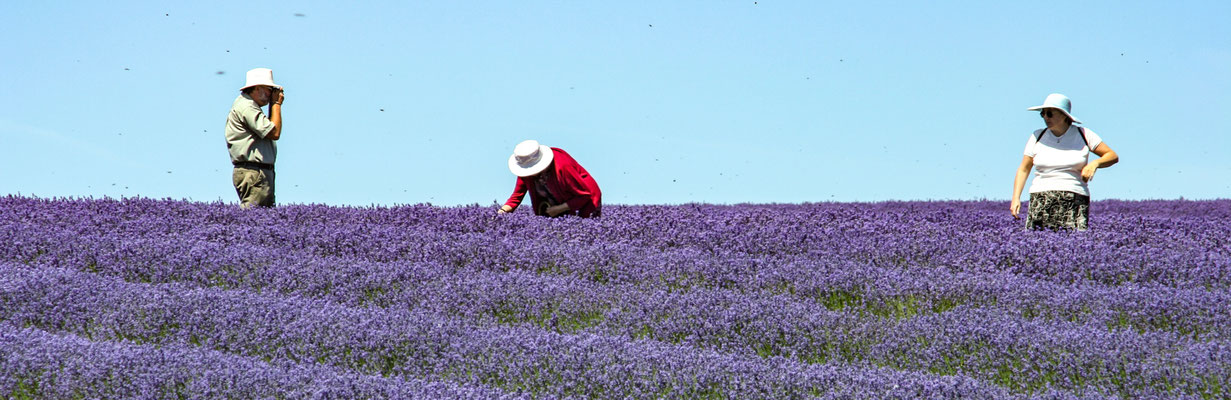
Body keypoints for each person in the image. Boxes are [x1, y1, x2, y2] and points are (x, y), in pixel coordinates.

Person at [1011, 93, 1119, 230]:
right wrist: (1016, 198)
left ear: (1064, 115)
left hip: (1074, 199)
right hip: (1041, 198)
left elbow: (1112, 155)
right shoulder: (1037, 136)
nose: (1045, 117)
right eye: (1042, 114)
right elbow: (1024, 169)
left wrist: (1094, 164)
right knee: (1039, 246)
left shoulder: (1084, 134)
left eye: (1049, 113)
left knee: (1075, 245)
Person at [224, 68, 284, 208]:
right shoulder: (247, 107)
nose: (271, 95)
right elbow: (274, 133)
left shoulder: (249, 106)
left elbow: (268, 128)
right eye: (269, 90)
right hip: (254, 173)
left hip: (257, 172)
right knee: (254, 220)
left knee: (263, 222)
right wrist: (276, 105)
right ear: (257, 88)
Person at [498, 140, 602, 218]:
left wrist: (559, 209)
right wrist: (502, 212)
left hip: (586, 199)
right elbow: (516, 197)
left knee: (582, 229)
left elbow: (583, 196)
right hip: (557, 204)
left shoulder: (563, 167)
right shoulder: (526, 172)